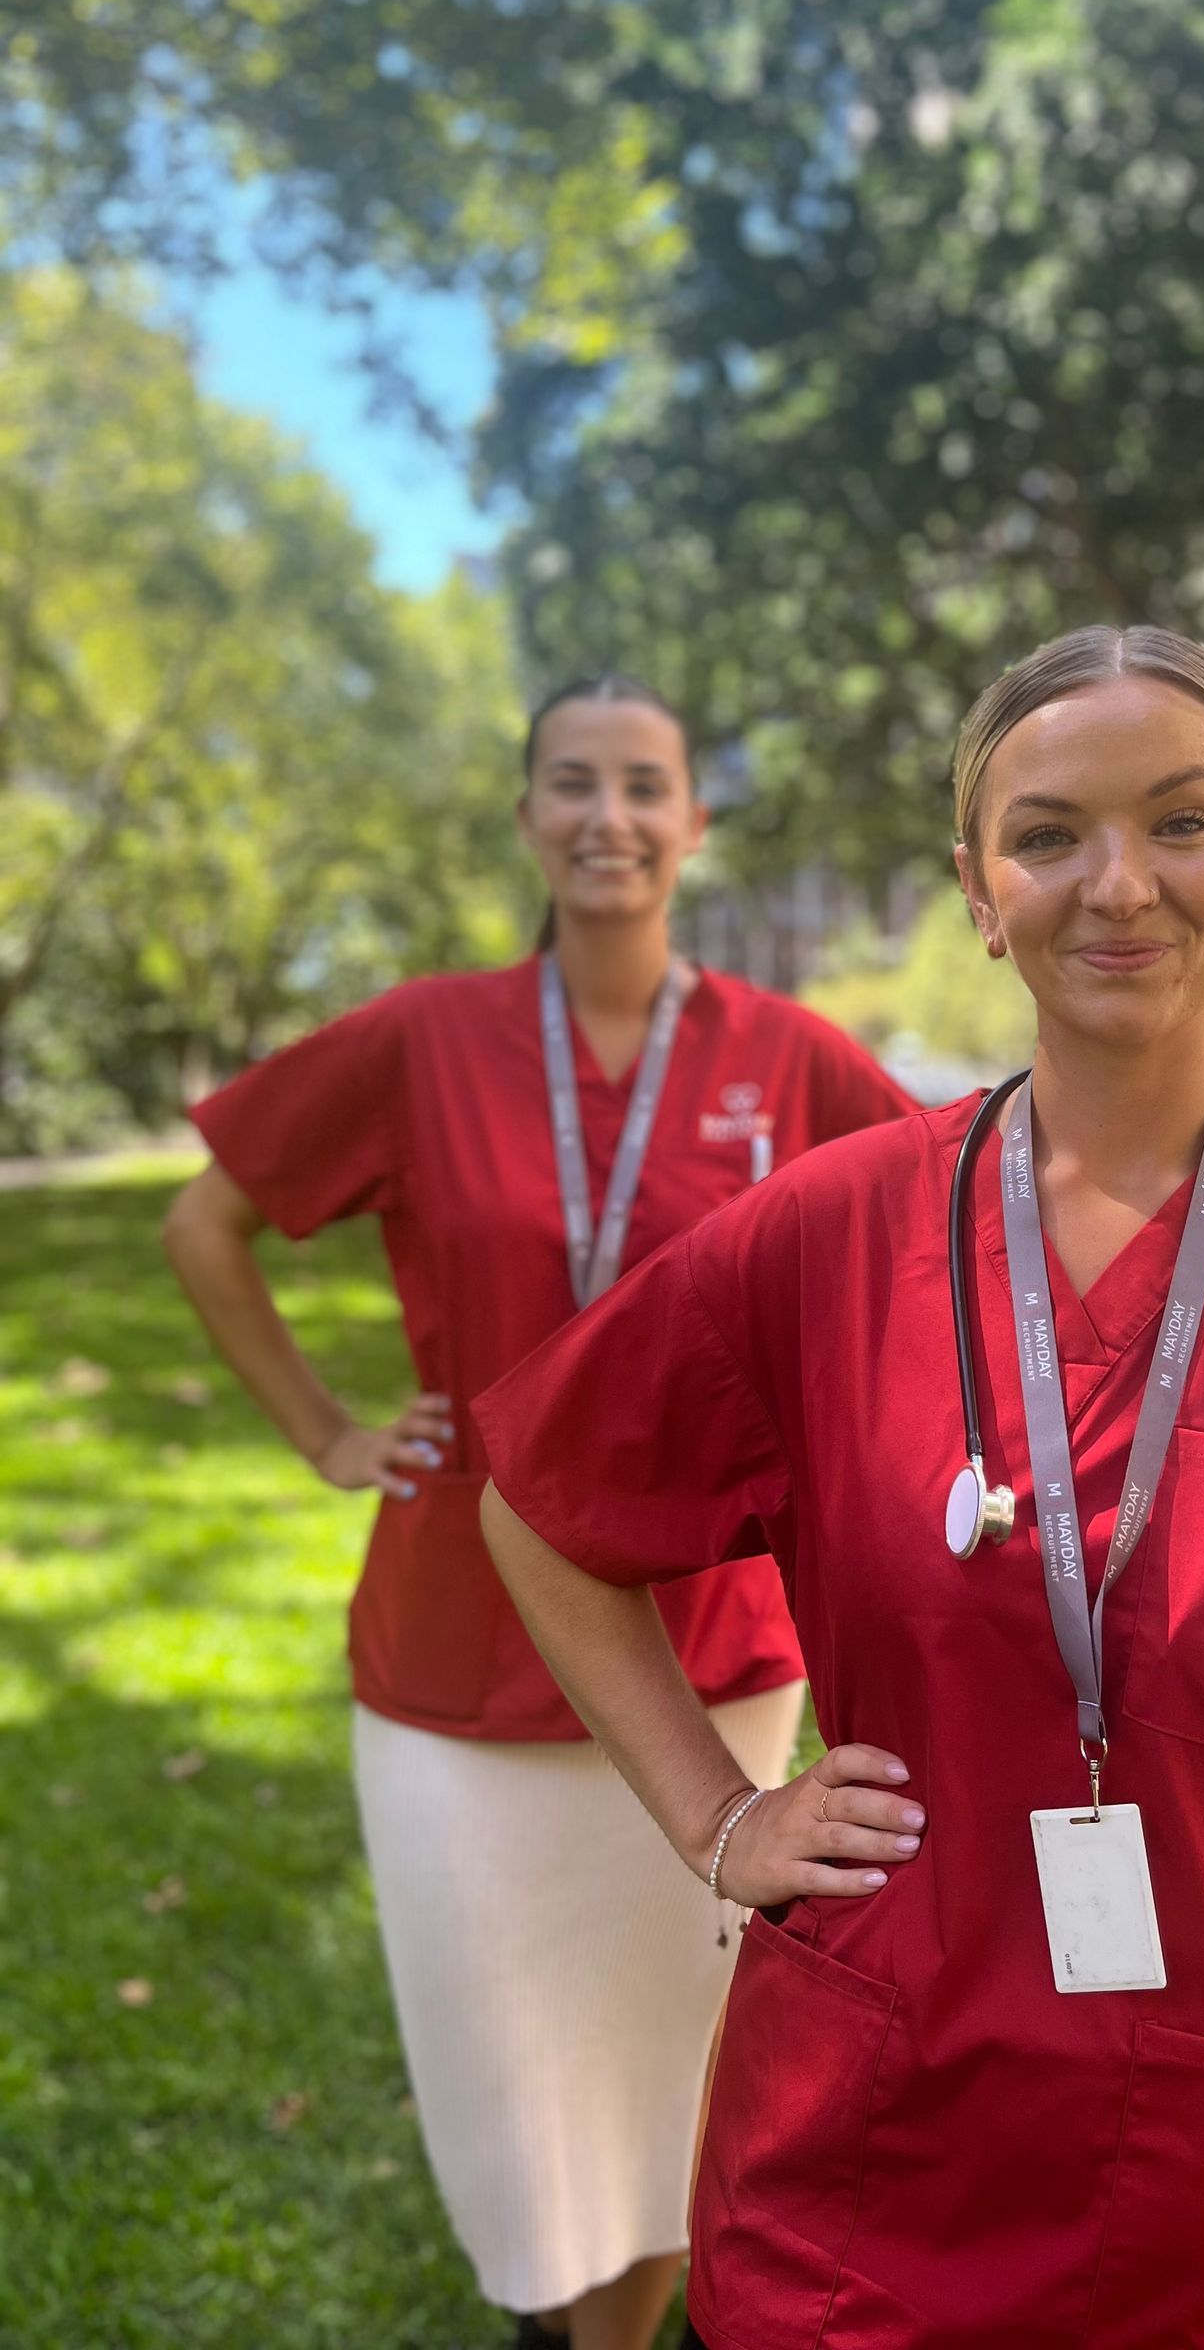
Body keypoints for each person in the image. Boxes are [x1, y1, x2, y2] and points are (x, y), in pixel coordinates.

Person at [473, 629, 1204, 2350]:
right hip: (875, 2181)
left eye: (1183, 823)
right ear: (977, 888)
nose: (1118, 886)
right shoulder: (827, 1235)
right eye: (1048, 836)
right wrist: (718, 1819)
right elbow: (543, 1503)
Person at [163, 675, 913, 2350]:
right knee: (519, 2102)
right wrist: (327, 1434)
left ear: (696, 825)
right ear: (526, 818)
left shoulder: (791, 1061)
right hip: (454, 1660)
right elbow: (204, 1223)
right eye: (572, 784)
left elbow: (936, 1240)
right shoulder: (422, 1038)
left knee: (664, 2086)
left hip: (715, 1656)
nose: (610, 818)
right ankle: (547, 2318)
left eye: (647, 786)